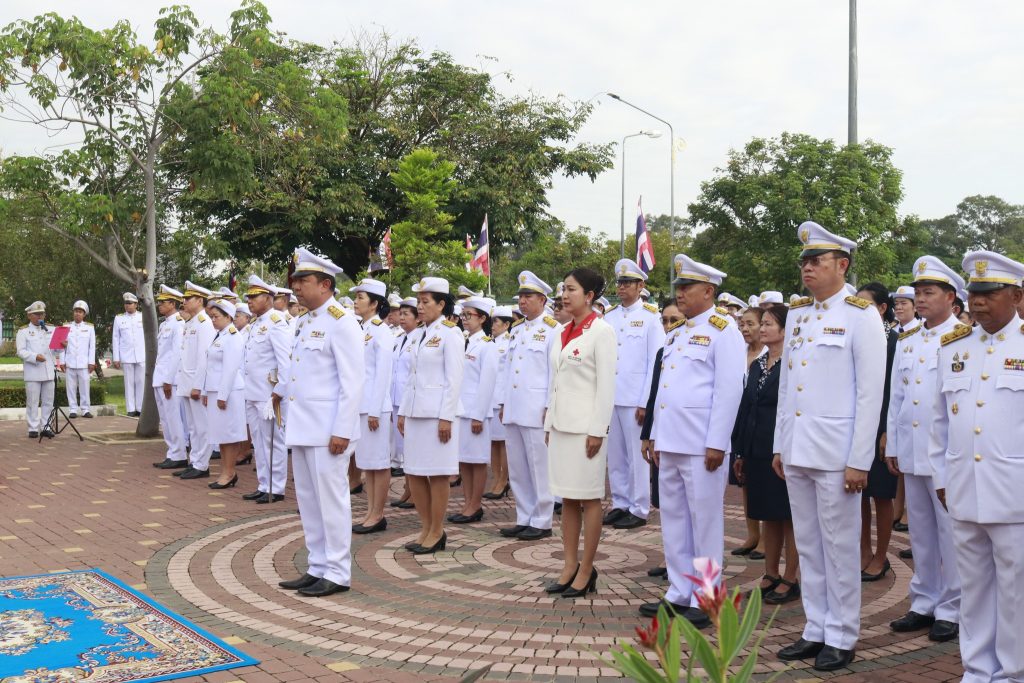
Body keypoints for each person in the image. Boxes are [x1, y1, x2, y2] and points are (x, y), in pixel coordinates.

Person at [773, 221, 886, 671]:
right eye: (804, 260)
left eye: (816, 260)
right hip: (798, 449)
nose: (807, 267)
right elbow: (787, 387)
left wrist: (859, 459)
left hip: (838, 454)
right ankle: (815, 627)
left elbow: (870, 394)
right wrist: (780, 445)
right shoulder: (798, 314)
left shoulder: (861, 315)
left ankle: (841, 634)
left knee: (839, 547)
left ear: (842, 265)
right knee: (809, 543)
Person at [930, 250, 1024, 682]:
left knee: (1015, 591)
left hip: (1013, 492)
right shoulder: (955, 347)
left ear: (1016, 296)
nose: (979, 301)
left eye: (990, 293)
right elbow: (939, 422)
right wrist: (942, 476)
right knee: (973, 588)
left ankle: (1013, 673)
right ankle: (977, 669)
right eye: (974, 293)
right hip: (964, 488)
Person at [640, 254, 745, 628]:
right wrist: (655, 434)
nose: (680, 293)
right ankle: (679, 590)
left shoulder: (724, 330)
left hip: (702, 446)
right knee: (673, 520)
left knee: (705, 524)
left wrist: (717, 442)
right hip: (671, 442)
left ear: (709, 291)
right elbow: (665, 390)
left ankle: (708, 595)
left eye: (687, 287)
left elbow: (729, 391)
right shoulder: (677, 333)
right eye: (679, 287)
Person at [274, 248, 364, 598]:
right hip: (304, 427)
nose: (296, 287)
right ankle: (317, 566)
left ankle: (338, 572)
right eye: (295, 280)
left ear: (325, 284)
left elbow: (352, 383)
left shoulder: (342, 322)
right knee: (310, 502)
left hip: (329, 431)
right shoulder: (305, 321)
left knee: (332, 502)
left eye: (303, 280)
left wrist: (342, 430)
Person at [884, 256, 964, 643]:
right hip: (913, 448)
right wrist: (892, 441)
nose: (920, 299)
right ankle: (924, 602)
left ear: (951, 297)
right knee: (920, 532)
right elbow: (897, 397)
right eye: (918, 292)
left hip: (946, 452)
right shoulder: (909, 340)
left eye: (928, 292)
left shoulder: (963, 338)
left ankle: (952, 607)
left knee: (950, 533)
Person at [544, 267, 617, 598]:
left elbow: (606, 387)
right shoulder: (561, 331)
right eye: (563, 289)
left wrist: (598, 430)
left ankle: (587, 568)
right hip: (562, 427)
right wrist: (549, 423)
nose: (564, 295)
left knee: (589, 498)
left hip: (586, 431)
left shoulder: (602, 332)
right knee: (567, 498)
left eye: (571, 289)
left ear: (589, 296)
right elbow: (555, 384)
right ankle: (569, 564)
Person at [732, 304, 799, 604]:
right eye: (763, 324)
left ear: (784, 330)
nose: (762, 329)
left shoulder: (793, 364)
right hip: (756, 450)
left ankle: (791, 577)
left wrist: (782, 448)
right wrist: (740, 451)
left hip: (780, 451)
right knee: (769, 516)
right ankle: (770, 573)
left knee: (788, 517)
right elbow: (746, 408)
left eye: (769, 324)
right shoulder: (758, 364)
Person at [397, 277, 464, 554]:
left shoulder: (451, 334)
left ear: (441, 304)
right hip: (415, 413)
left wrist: (446, 417)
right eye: (419, 302)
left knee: (437, 475)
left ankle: (437, 530)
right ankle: (425, 527)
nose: (420, 307)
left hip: (437, 416)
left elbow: (454, 380)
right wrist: (403, 412)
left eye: (425, 302)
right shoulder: (417, 335)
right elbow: (410, 378)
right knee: (414, 473)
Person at [499, 271, 563, 541]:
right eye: (521, 297)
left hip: (537, 408)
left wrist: (550, 405)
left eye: (528, 297)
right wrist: (503, 401)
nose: (522, 302)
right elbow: (507, 369)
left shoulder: (553, 329)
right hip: (515, 407)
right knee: (518, 468)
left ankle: (542, 520)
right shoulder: (516, 330)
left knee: (539, 467)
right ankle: (524, 516)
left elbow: (555, 373)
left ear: (542, 299)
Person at [602, 259, 664, 531]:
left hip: (635, 397)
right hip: (611, 396)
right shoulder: (609, 317)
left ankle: (639, 507)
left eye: (627, 283)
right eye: (620, 282)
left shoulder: (651, 317)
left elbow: (654, 362)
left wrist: (645, 402)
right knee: (615, 456)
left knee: (637, 458)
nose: (622, 287)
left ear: (640, 286)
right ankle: (620, 502)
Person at [855, 282, 899, 581]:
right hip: (857, 427)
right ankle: (863, 551)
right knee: (857, 493)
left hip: (882, 428)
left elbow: (894, 392)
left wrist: (886, 431)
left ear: (882, 308)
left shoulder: (895, 341)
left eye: (866, 304)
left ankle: (881, 556)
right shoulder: (856, 336)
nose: (859, 310)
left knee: (881, 496)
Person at [351, 278, 395, 534]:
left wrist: (375, 410)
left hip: (374, 407)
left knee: (379, 462)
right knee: (368, 463)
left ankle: (378, 514)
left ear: (375, 303)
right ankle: (370, 511)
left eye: (361, 297)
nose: (356, 301)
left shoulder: (381, 331)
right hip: (362, 405)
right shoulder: (362, 328)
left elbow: (382, 375)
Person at [242, 275, 292, 504]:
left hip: (269, 395)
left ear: (269, 298)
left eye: (254, 297)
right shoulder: (256, 324)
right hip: (253, 392)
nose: (249, 301)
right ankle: (264, 484)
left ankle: (276, 487)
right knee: (258, 442)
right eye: (249, 297)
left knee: (273, 441)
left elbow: (285, 362)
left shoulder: (276, 322)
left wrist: (278, 392)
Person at [452, 296, 499, 523]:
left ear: (482, 318)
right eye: (463, 315)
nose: (464, 319)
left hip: (475, 412)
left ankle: (475, 505)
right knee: (464, 459)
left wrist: (479, 415)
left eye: (469, 315)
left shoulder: (487, 346)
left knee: (477, 461)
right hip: (460, 410)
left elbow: (486, 384)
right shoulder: (464, 341)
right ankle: (467, 503)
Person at [732, 306, 765, 558]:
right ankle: (752, 533)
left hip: (761, 423)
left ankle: (765, 538)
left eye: (750, 324)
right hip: (739, 421)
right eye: (742, 324)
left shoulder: (770, 354)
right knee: (744, 478)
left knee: (762, 481)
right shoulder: (737, 352)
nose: (745, 329)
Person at [203, 299, 247, 489]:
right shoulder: (220, 335)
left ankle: (229, 472)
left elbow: (230, 369)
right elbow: (210, 366)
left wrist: (222, 395)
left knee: (229, 434)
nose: (213, 320)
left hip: (228, 392)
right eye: (211, 317)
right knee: (220, 434)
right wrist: (206, 391)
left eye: (216, 317)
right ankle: (226, 471)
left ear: (228, 317)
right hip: (216, 390)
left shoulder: (233, 336)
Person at [175, 281, 216, 480]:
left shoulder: (204, 323)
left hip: (195, 383)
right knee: (192, 427)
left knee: (202, 426)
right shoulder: (190, 322)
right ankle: (194, 461)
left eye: (188, 298)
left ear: (199, 300)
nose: (184, 301)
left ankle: (202, 464)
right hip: (186, 381)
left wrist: (198, 386)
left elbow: (203, 357)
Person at [152, 286, 188, 470]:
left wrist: (168, 379)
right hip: (160, 377)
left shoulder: (178, 323)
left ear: (173, 304)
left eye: (163, 302)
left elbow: (176, 354)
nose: (159, 305)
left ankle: (179, 454)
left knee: (173, 418)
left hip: (170, 379)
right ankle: (172, 452)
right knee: (165, 419)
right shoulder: (165, 324)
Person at [389, 296, 421, 504]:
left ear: (417, 318)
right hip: (395, 398)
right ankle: (408, 489)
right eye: (400, 314)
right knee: (402, 446)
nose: (401, 317)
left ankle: (413, 492)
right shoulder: (400, 339)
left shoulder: (420, 338)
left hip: (410, 400)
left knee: (412, 448)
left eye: (406, 314)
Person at [484, 306, 514, 500]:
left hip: (502, 400)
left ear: (506, 324)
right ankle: (496, 478)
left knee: (503, 443)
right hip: (490, 399)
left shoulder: (510, 342)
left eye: (496, 322)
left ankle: (504, 480)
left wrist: (505, 401)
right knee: (493, 443)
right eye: (492, 321)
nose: (493, 325)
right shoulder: (490, 343)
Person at [16, 301, 56, 439]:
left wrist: (63, 346)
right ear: (29, 316)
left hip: (48, 371)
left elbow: (55, 350)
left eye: (42, 314)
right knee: (33, 401)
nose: (40, 316)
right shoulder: (23, 331)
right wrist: (34, 357)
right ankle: (33, 428)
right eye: (37, 314)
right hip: (33, 371)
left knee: (48, 401)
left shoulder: (50, 329)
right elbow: (21, 351)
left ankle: (46, 426)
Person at [113, 292, 147, 417]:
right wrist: (116, 358)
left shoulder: (143, 316)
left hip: (141, 354)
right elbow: (116, 338)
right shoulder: (119, 318)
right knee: (129, 383)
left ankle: (140, 407)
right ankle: (131, 408)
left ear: (136, 304)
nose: (127, 305)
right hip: (126, 355)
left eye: (130, 303)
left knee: (141, 382)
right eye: (126, 303)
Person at [60, 300, 96, 419]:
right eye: (76, 311)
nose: (77, 314)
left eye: (80, 312)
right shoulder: (66, 326)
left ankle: (85, 409)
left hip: (84, 363)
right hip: (70, 362)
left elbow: (92, 347)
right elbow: (62, 345)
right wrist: (62, 361)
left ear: (84, 314)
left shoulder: (89, 328)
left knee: (84, 387)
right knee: (70, 388)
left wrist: (91, 362)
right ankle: (73, 409)